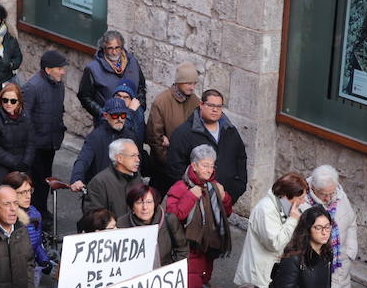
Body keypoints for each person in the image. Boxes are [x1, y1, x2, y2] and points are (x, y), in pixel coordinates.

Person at [166, 145, 233, 288]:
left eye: (212, 165)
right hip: (187, 250)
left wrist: (224, 198)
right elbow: (172, 217)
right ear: (194, 166)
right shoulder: (180, 188)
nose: (209, 170)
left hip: (208, 249)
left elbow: (226, 214)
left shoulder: (214, 187)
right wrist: (190, 197)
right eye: (205, 165)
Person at [300, 166, 358, 288]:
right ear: (313, 188)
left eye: (331, 193)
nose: (328, 197)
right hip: (315, 263)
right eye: (324, 194)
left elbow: (352, 221)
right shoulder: (303, 203)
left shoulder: (340, 195)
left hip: (339, 262)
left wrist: (351, 249)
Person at [166, 89, 247, 204]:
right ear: (201, 105)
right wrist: (190, 193)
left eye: (219, 106)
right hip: (195, 201)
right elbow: (174, 167)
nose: (215, 110)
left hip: (225, 198)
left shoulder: (230, 131)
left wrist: (238, 187)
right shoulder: (184, 133)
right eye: (211, 105)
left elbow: (241, 157)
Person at [234, 172, 308, 288]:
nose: (303, 201)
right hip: (258, 279)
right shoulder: (266, 209)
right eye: (300, 198)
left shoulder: (283, 207)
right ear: (287, 195)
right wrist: (293, 221)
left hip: (271, 274)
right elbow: (275, 243)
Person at [22, 49, 68, 215]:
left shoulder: (58, 85)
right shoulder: (32, 87)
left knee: (45, 179)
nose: (63, 72)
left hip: (50, 142)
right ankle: (36, 212)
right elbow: (25, 118)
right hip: (36, 145)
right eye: (60, 68)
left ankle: (41, 210)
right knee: (36, 181)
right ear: (48, 70)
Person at [146, 62, 200, 194]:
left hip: (185, 167)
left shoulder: (195, 102)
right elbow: (154, 136)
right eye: (188, 83)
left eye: (194, 83)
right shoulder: (162, 101)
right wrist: (167, 162)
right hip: (163, 167)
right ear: (178, 82)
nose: (192, 87)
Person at [77, 30, 146, 127]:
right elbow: (84, 96)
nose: (114, 52)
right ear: (104, 48)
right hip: (108, 123)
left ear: (122, 47)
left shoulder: (133, 62)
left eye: (117, 48)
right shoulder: (93, 68)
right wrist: (103, 114)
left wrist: (140, 108)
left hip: (133, 120)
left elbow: (141, 87)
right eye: (110, 48)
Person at [69, 98, 137, 190]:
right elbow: (83, 160)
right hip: (99, 189)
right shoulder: (96, 136)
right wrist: (77, 178)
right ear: (106, 116)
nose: (119, 119)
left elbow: (137, 164)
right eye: (115, 116)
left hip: (123, 190)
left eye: (123, 115)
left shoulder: (130, 136)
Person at [117, 182, 188, 268]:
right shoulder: (122, 224)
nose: (145, 207)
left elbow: (182, 249)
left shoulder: (169, 220)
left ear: (155, 204)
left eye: (149, 202)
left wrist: (172, 270)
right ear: (132, 206)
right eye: (139, 202)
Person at [0, 82, 34, 189]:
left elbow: (31, 143)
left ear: (19, 102)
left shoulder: (26, 118)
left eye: (13, 101)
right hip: (1, 168)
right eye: (5, 100)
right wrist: (16, 163)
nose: (9, 104)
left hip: (22, 166)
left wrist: (26, 162)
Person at [3, 171, 52, 281]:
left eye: (30, 191)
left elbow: (38, 244)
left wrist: (44, 260)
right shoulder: (2, 218)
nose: (28, 196)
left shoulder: (35, 214)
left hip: (29, 270)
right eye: (23, 192)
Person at [81, 138, 143, 220]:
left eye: (138, 155)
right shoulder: (99, 182)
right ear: (119, 158)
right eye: (133, 156)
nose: (137, 160)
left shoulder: (136, 177)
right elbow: (94, 217)